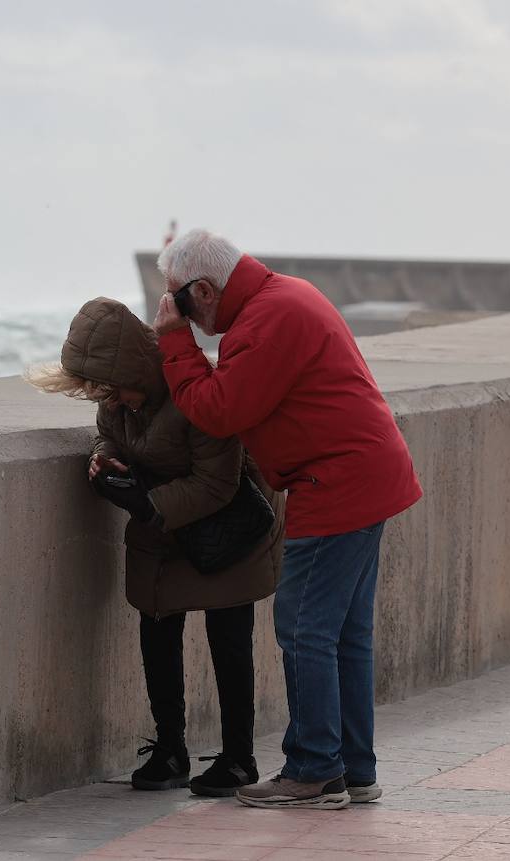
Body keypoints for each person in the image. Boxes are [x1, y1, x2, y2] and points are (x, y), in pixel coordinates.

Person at [150, 229, 423, 810]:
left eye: (178, 299)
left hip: (337, 483)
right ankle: (354, 768)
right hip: (364, 473)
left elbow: (218, 411)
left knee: (304, 629)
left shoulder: (266, 321)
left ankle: (314, 769)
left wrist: (174, 342)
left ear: (205, 288)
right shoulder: (285, 295)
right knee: (346, 635)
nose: (173, 310)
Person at [28, 297, 285, 796]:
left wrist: (147, 504)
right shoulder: (116, 397)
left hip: (230, 521)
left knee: (229, 636)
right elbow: (109, 437)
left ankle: (239, 758)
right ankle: (170, 750)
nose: (113, 401)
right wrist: (105, 461)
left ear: (134, 370)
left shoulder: (195, 392)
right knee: (156, 622)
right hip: (164, 520)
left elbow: (218, 482)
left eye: (116, 391)